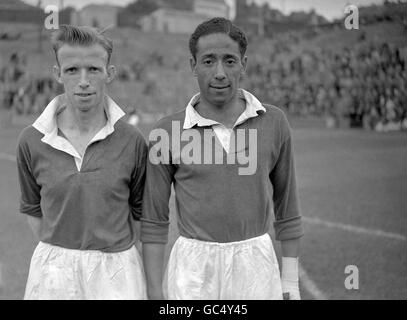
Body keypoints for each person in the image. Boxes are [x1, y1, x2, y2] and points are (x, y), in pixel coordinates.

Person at [141, 17, 304, 300]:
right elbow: (154, 221)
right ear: (193, 65)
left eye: (229, 61)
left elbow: (287, 207)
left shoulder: (274, 122)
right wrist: (154, 291)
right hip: (193, 269)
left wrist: (290, 281)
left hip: (256, 266)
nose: (219, 73)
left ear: (244, 64)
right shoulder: (165, 132)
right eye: (208, 61)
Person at [16, 25, 148, 300]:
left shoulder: (132, 140)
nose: (83, 80)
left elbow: (139, 213)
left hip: (117, 272)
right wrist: (66, 252)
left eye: (94, 69)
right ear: (58, 74)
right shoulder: (31, 140)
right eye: (72, 70)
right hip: (54, 271)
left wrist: (110, 254)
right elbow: (32, 208)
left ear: (109, 74)